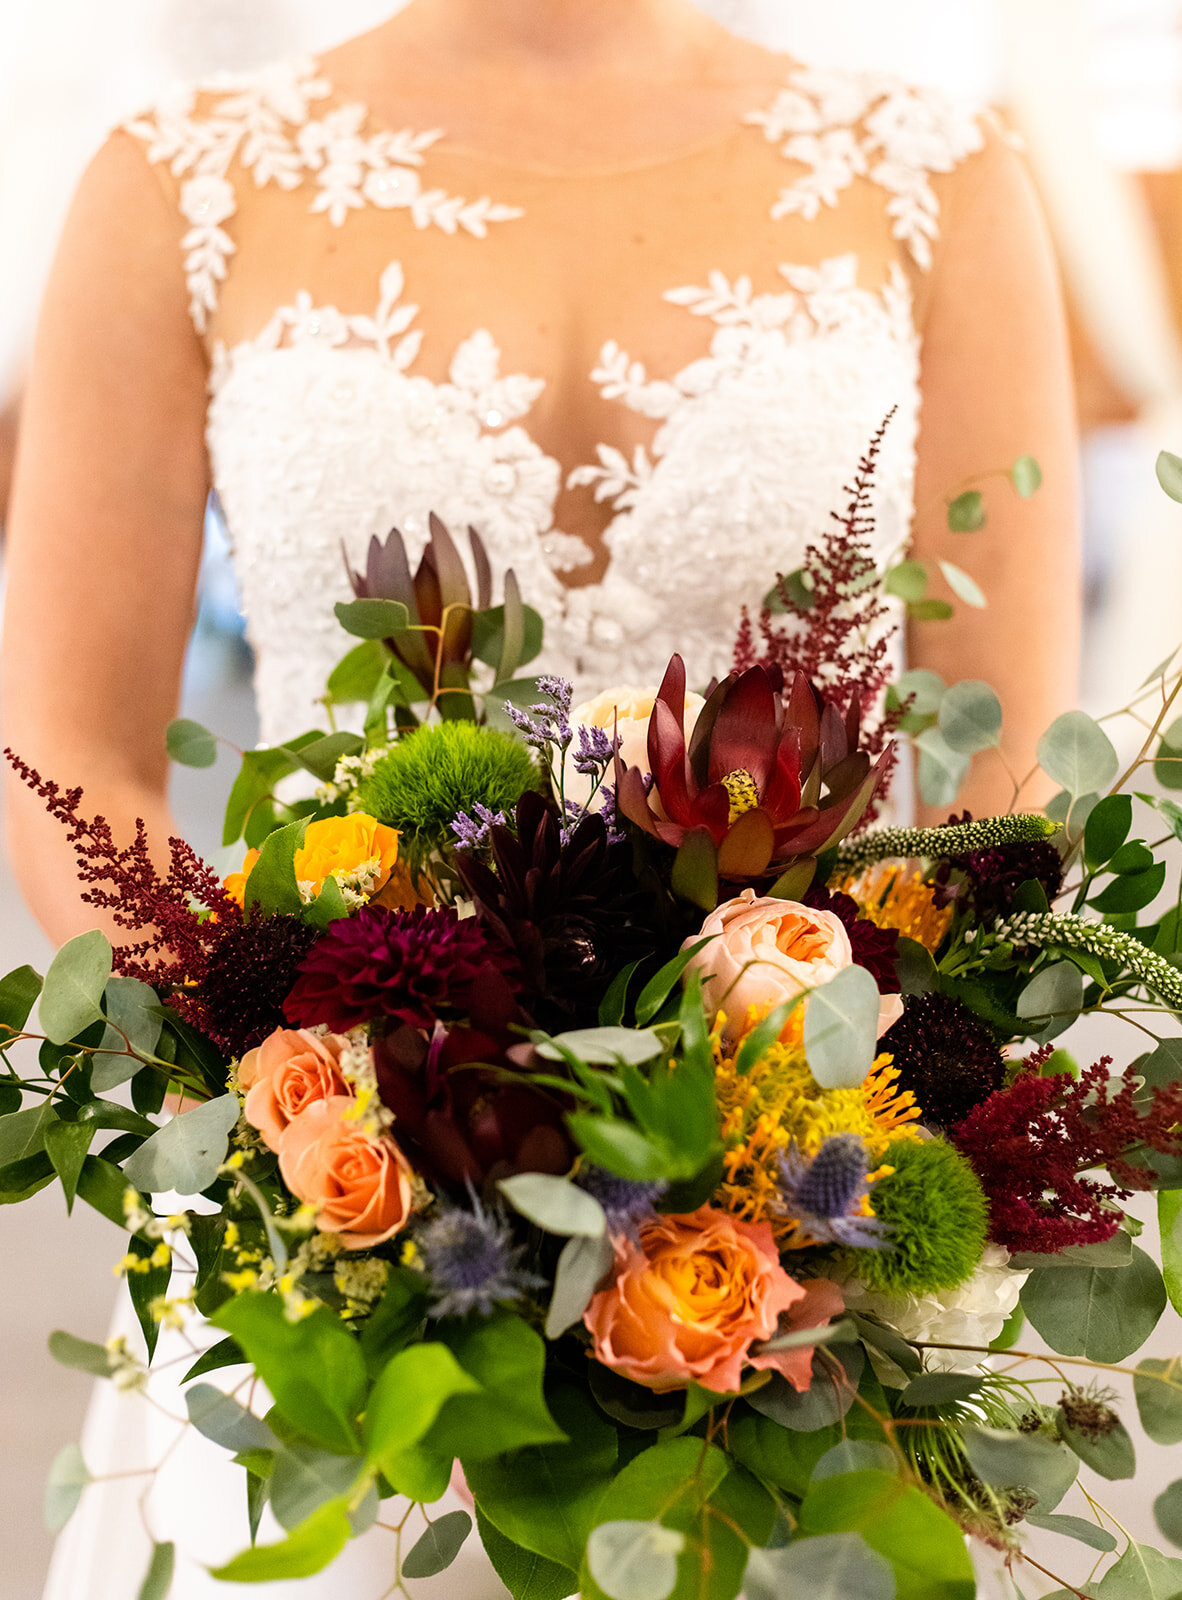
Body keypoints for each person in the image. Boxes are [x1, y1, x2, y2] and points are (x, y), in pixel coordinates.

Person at [3, 1, 1077, 1594]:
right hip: (332, 1197)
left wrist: (820, 1123)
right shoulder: (181, 179)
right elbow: (70, 748)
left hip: (790, 1230)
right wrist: (299, 1077)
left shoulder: (933, 171)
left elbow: (1011, 770)